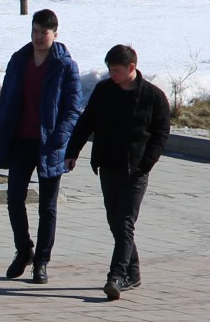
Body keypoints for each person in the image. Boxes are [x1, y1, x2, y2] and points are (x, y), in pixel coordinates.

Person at [65, 45, 171, 301]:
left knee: (124, 223)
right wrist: (72, 152)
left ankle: (116, 276)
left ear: (131, 68)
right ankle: (133, 272)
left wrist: (146, 164)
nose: (111, 74)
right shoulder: (104, 91)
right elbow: (86, 121)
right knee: (116, 223)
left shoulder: (153, 97)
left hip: (136, 172)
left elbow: (161, 134)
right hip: (108, 167)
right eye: (109, 69)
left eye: (115, 70)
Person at [0, 9, 84, 286]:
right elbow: (7, 99)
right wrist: (2, 129)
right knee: (14, 198)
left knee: (47, 206)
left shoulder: (65, 66)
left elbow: (73, 108)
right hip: (20, 140)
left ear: (55, 34)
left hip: (50, 144)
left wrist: (61, 138)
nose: (39, 37)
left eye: (44, 32)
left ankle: (41, 261)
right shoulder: (19, 60)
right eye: (35, 31)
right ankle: (24, 250)